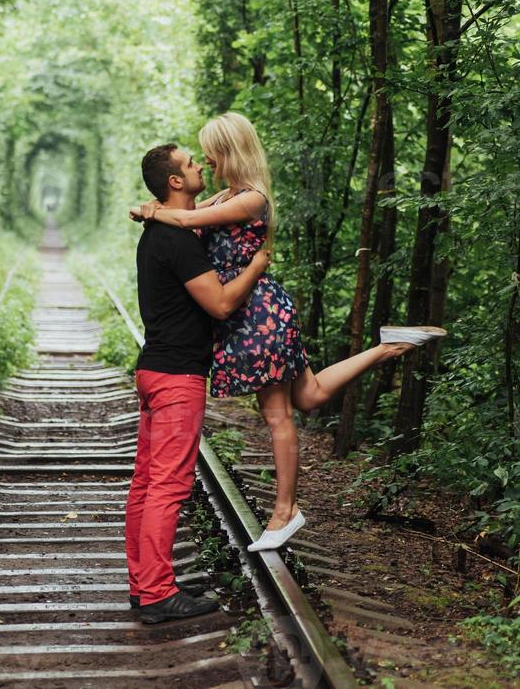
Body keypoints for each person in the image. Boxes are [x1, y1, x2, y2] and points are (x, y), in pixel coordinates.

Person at [130, 113, 446, 552]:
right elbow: (184, 214)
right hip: (256, 310)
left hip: (257, 314)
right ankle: (389, 345)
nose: (204, 159)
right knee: (310, 394)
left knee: (278, 414)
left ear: (229, 150)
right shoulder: (226, 195)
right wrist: (155, 208)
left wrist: (149, 209)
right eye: (197, 156)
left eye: (210, 150)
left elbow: (182, 221)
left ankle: (285, 510)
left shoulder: (252, 199)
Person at [126, 142, 271, 624]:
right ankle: (156, 594)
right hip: (177, 377)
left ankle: (146, 582)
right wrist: (255, 266)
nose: (199, 167)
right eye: (191, 164)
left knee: (147, 484)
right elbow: (222, 304)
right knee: (167, 485)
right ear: (174, 182)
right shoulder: (178, 240)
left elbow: (211, 208)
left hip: (155, 370)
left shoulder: (159, 229)